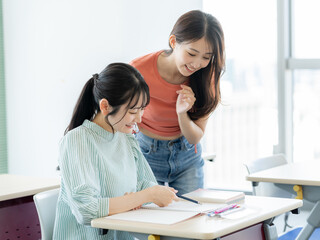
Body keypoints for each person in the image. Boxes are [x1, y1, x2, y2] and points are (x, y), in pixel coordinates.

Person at [53, 63, 178, 240]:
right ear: (105, 106)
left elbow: (146, 184)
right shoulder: (77, 140)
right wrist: (140, 197)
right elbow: (86, 210)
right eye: (133, 111)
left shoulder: (125, 137)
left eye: (142, 109)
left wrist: (147, 195)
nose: (139, 118)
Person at [130, 10, 225, 196]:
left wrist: (182, 112)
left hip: (187, 155)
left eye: (206, 57)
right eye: (192, 53)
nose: (197, 64)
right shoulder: (138, 70)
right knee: (147, 220)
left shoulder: (207, 76)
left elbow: (194, 137)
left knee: (192, 218)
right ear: (174, 42)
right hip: (145, 154)